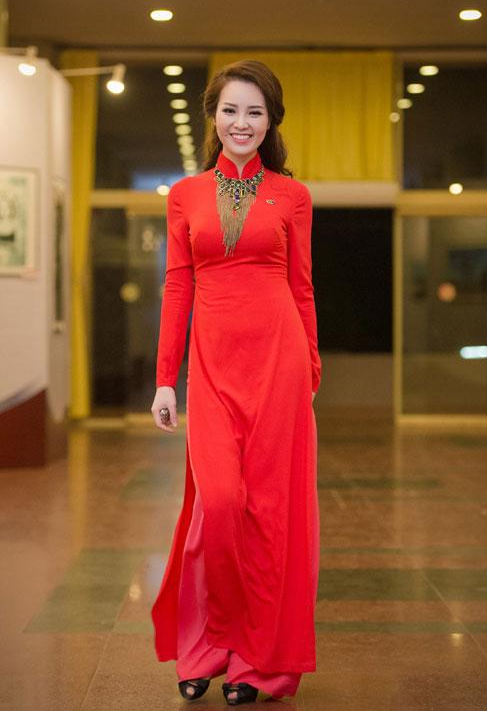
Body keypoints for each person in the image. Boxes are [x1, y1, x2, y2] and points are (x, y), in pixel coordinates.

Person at [150, 59, 321, 706]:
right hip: (213, 370)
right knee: (218, 506)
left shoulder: (291, 196)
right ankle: (206, 645)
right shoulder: (185, 195)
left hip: (279, 366)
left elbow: (302, 288)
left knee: (268, 517)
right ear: (213, 117)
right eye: (230, 110)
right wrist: (166, 380)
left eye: (254, 112)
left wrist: (310, 367)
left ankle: (256, 661)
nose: (241, 123)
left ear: (270, 121)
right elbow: (177, 287)